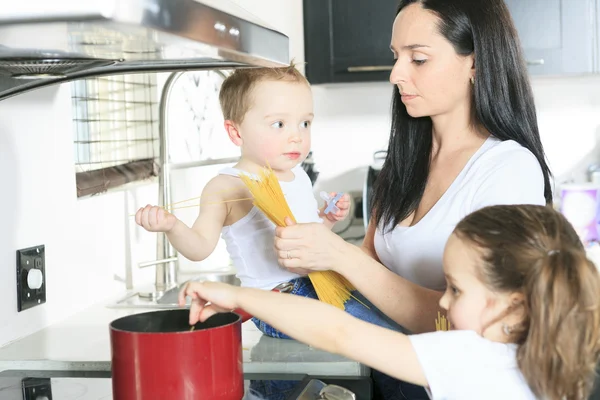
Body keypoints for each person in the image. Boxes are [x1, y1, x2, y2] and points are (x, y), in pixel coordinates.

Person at [274, 1, 553, 397]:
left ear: (475, 63)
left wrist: (338, 255)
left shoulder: (508, 170)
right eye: (395, 56)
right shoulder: (405, 159)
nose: (395, 74)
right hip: (394, 380)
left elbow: (472, 325)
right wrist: (314, 252)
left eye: (418, 59)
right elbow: (371, 255)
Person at [180, 204, 600, 400]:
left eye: (455, 289)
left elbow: (338, 330)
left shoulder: (472, 356)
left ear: (513, 305)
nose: (443, 303)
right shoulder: (558, 364)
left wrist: (238, 296)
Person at [134, 65, 399, 340]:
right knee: (379, 334)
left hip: (317, 282)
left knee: (386, 320)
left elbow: (307, 243)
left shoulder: (297, 176)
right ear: (236, 133)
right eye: (279, 124)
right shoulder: (226, 185)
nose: (296, 135)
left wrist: (326, 219)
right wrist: (172, 226)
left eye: (305, 123)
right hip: (277, 300)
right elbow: (200, 247)